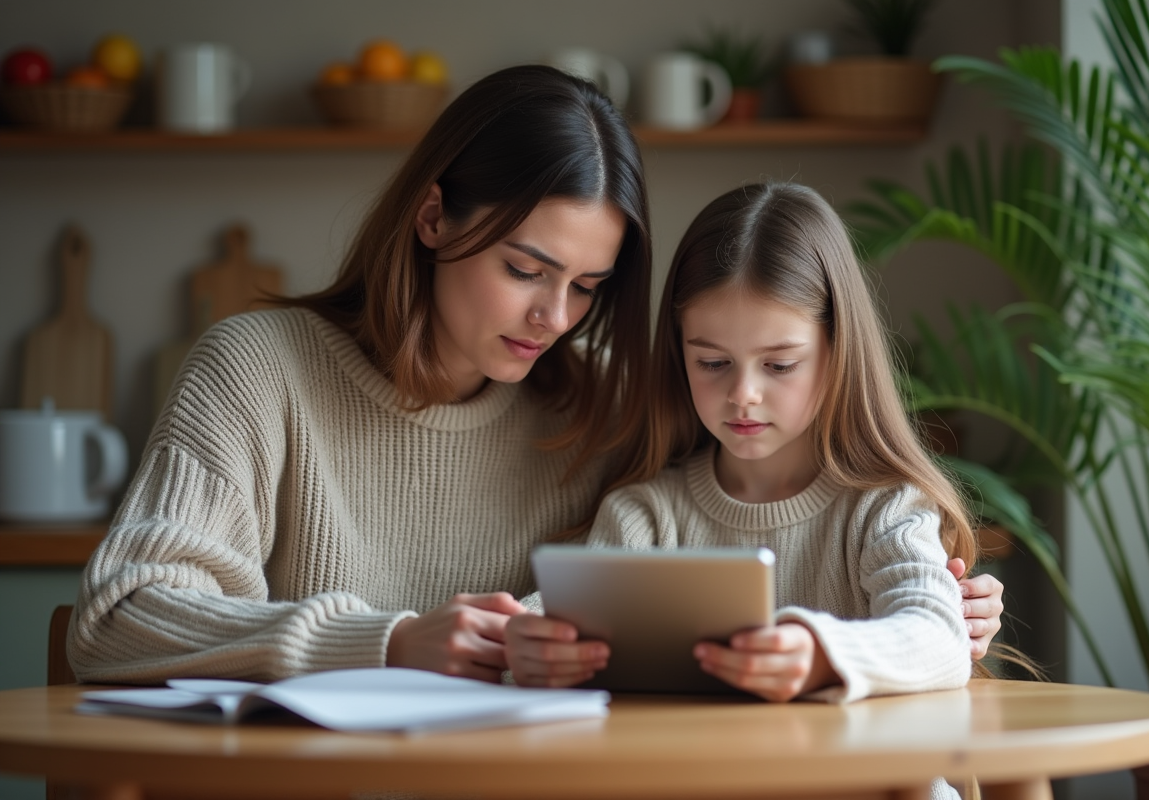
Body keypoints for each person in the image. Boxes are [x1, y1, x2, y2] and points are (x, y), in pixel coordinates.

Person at [67, 66, 1001, 686]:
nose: (556, 319)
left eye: (589, 287)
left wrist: (936, 614)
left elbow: (758, 517)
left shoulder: (599, 412)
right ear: (433, 218)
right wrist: (387, 642)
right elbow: (116, 622)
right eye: (525, 271)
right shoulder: (256, 370)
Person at [507, 182, 993, 708]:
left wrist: (821, 655)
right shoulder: (644, 516)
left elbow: (940, 640)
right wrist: (528, 643)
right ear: (679, 354)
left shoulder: (887, 509)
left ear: (839, 352)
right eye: (712, 363)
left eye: (780, 365)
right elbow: (559, 626)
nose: (742, 395)